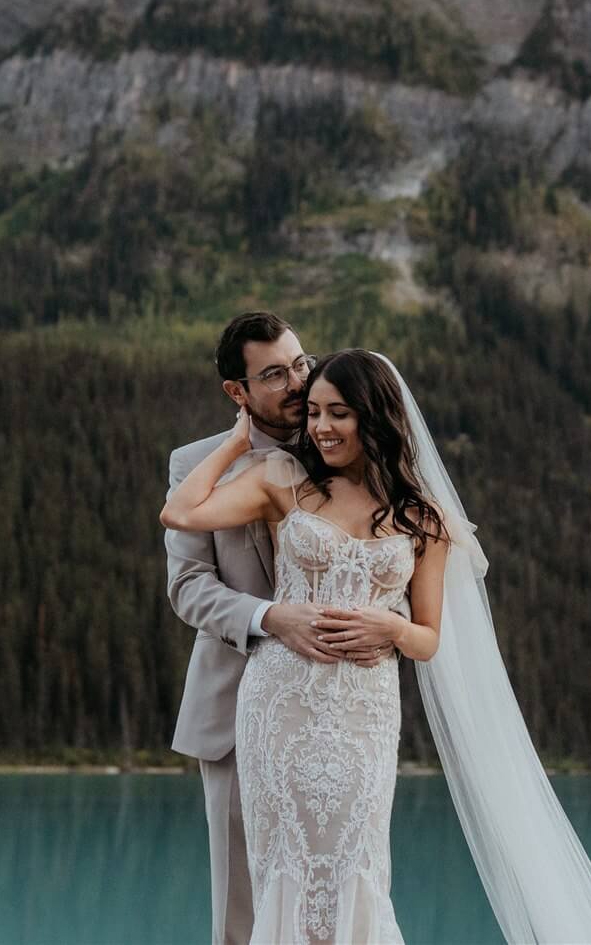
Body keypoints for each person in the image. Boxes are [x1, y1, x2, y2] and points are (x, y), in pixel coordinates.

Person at [163, 349, 591, 945]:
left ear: (376, 418)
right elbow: (179, 512)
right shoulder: (283, 480)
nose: (320, 428)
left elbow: (428, 639)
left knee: (357, 867)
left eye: (339, 413)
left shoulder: (424, 519)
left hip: (364, 710)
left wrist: (391, 629)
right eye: (312, 413)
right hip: (281, 705)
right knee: (282, 868)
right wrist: (235, 444)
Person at [164, 315, 397, 945]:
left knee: (348, 892)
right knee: (246, 912)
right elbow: (187, 588)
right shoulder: (197, 464)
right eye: (274, 374)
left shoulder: (348, 447)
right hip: (244, 711)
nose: (298, 381)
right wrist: (270, 618)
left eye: (300, 362)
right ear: (237, 392)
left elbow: (396, 557)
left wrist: (389, 621)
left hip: (344, 721)